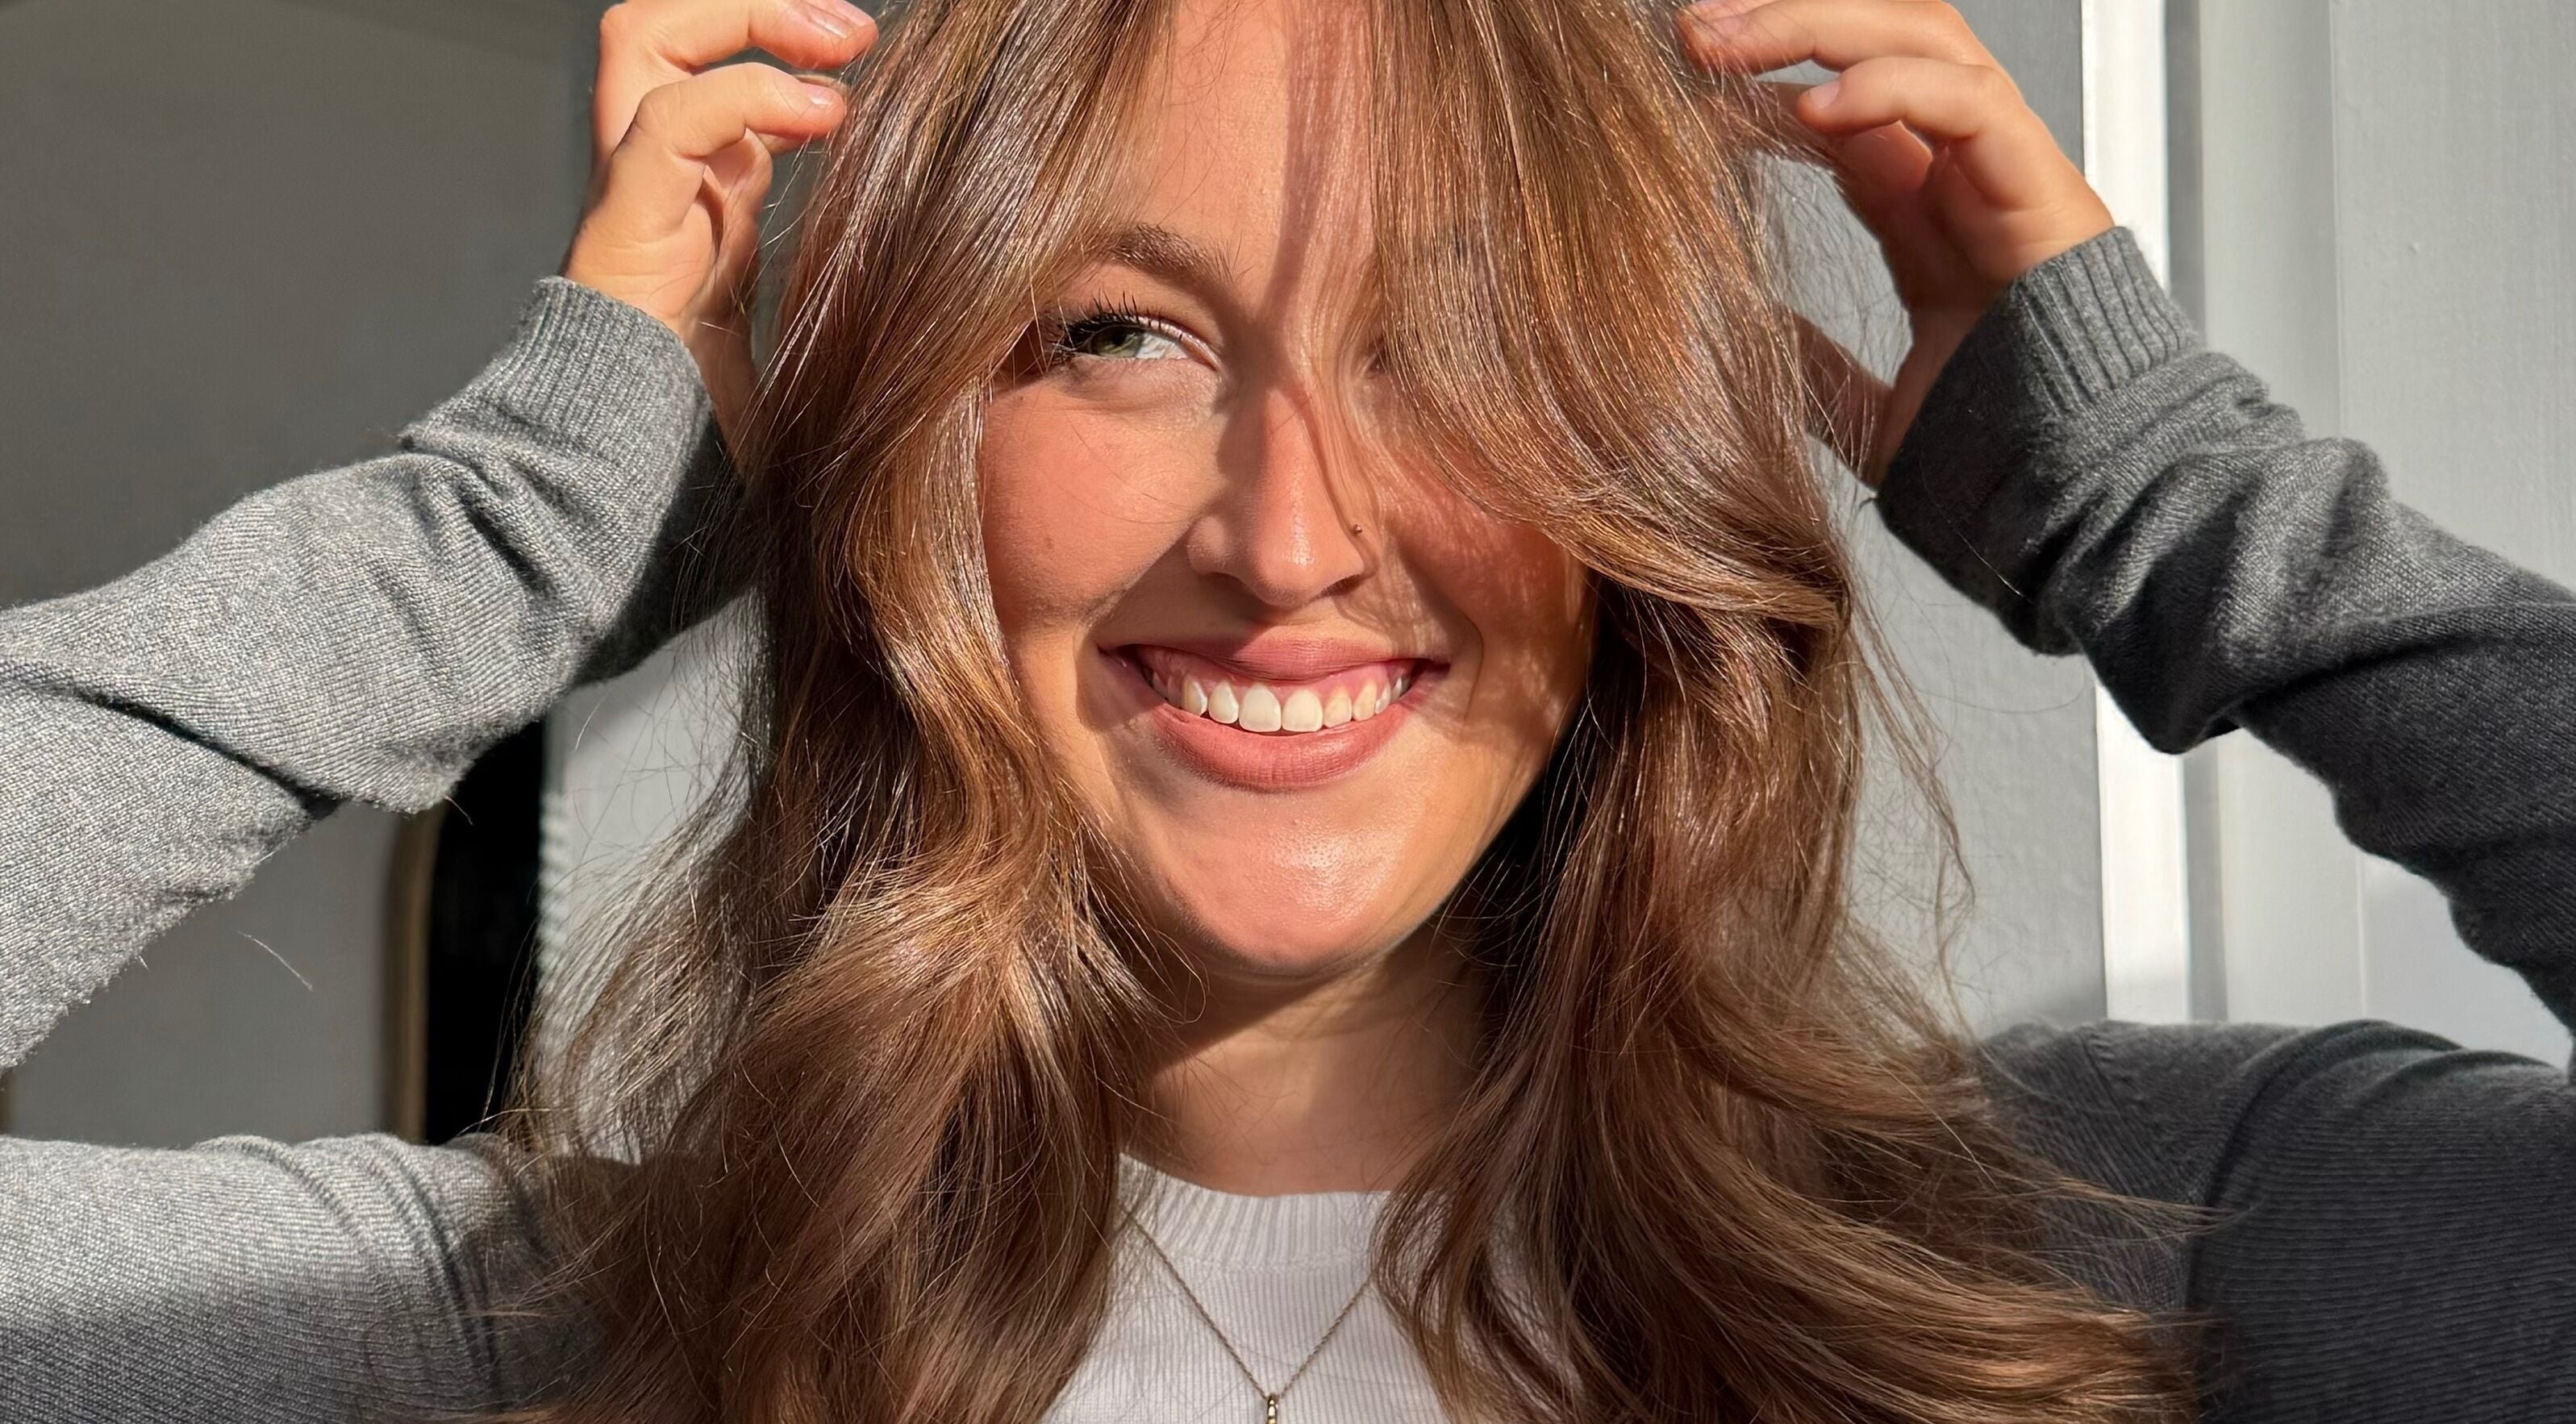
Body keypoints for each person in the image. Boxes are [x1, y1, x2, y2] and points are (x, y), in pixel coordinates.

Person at [2, 0, 2570, 1420]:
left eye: (1461, 342)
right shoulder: (523, 1341)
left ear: (1632, 465)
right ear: (905, 456)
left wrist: (2171, 503)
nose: (1289, 531)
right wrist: (519, 530)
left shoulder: (2134, 1251)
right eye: (1113, 336)